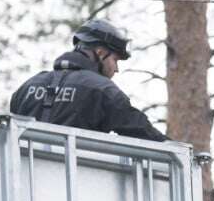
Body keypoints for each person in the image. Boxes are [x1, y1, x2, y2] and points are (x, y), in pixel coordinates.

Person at [9, 18, 168, 141]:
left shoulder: (27, 87)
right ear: (100, 53)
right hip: (79, 180)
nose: (116, 69)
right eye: (115, 60)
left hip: (23, 179)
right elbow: (139, 129)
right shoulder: (102, 90)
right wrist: (178, 150)